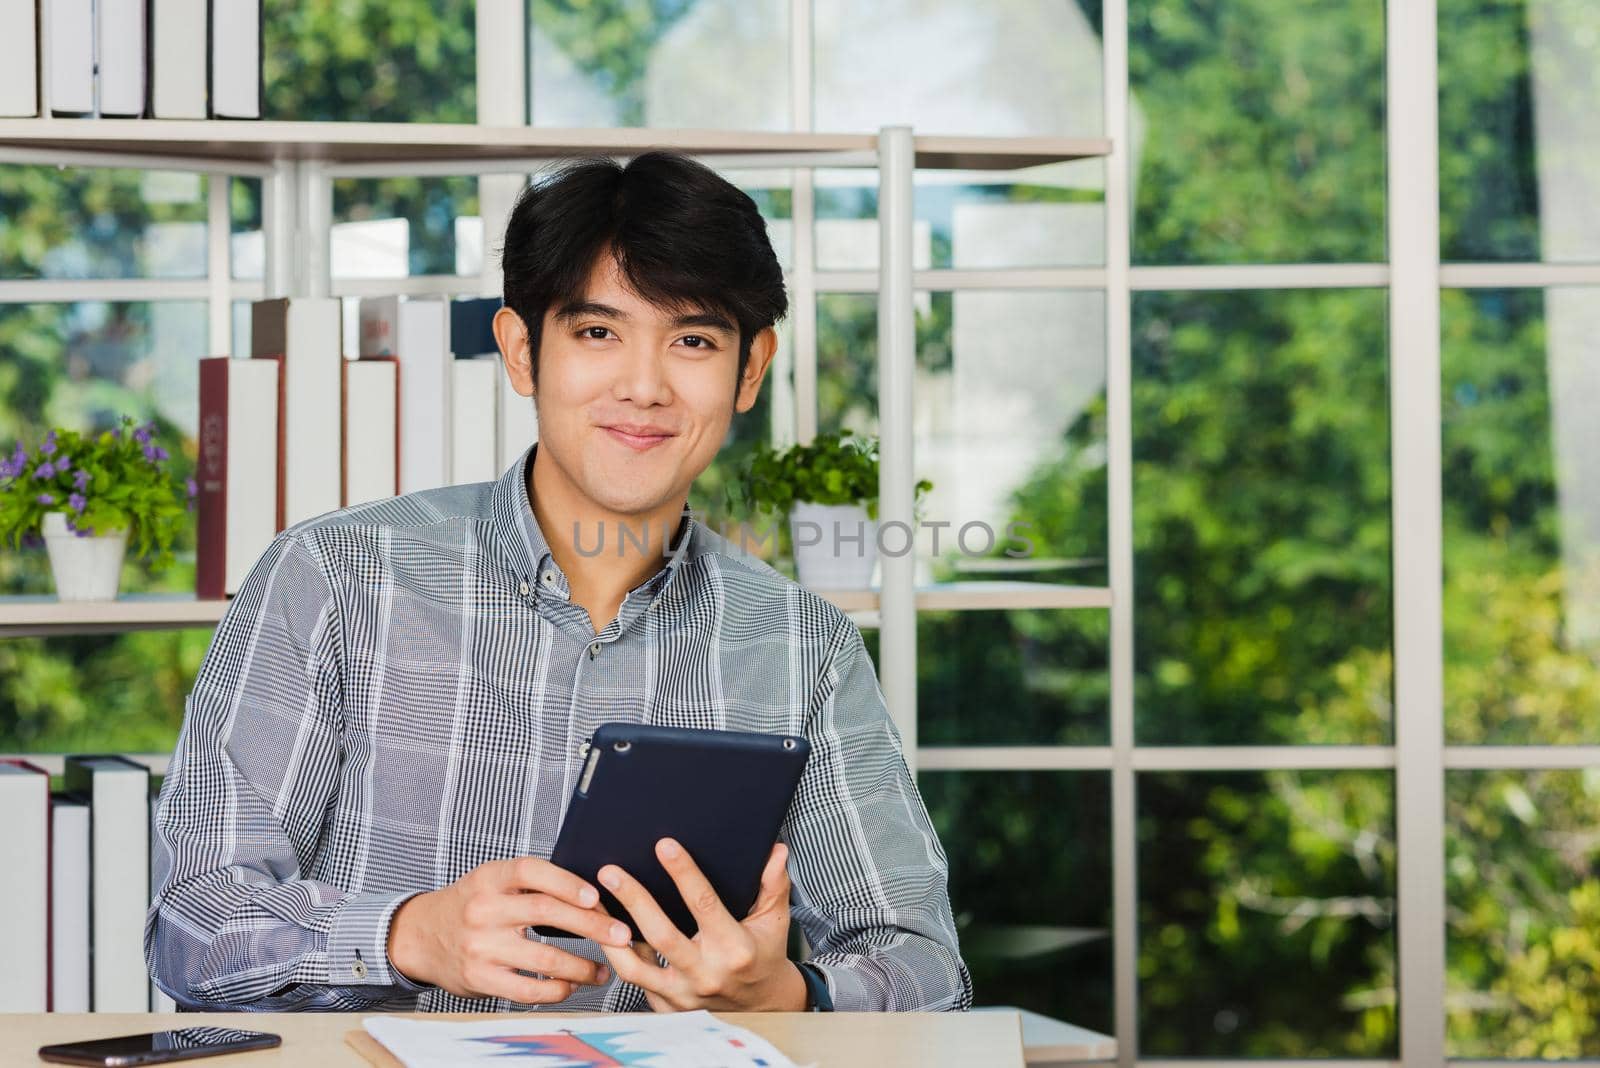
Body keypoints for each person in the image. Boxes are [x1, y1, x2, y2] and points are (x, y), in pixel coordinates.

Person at [145, 151, 972, 1014]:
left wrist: (785, 994)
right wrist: (407, 936)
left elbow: (923, 967)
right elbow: (190, 925)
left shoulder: (804, 646)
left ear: (751, 369)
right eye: (597, 333)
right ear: (521, 350)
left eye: (693, 340)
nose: (645, 388)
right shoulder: (336, 581)